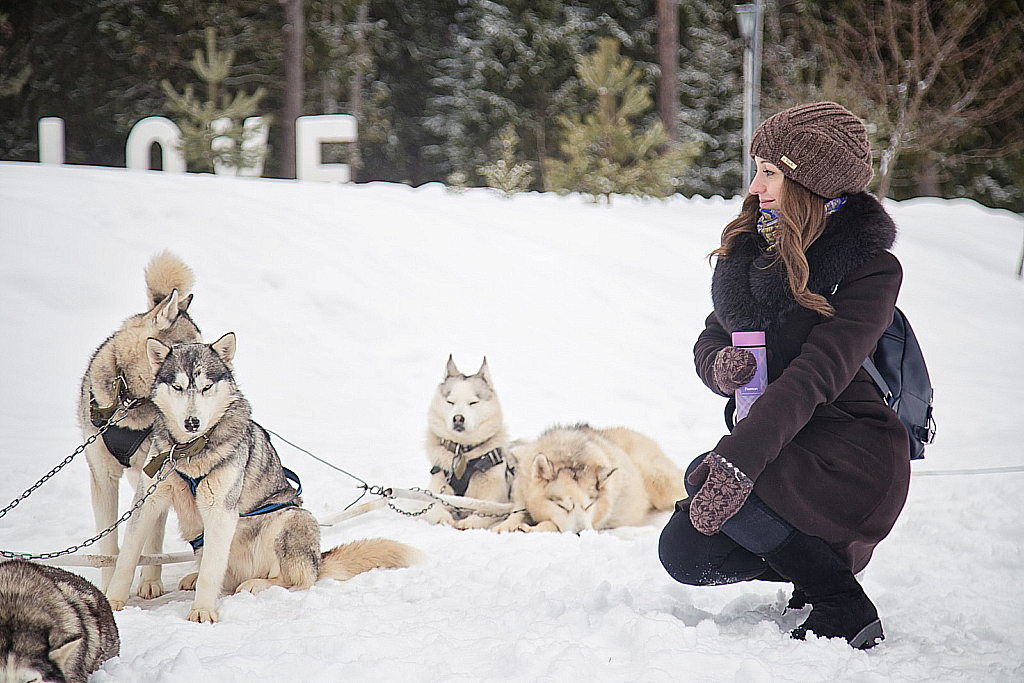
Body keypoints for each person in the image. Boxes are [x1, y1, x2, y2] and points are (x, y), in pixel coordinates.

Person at [658, 102, 911, 649]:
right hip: (779, 441)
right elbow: (712, 334)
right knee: (685, 553)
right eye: (757, 170)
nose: (754, 187)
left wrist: (738, 462)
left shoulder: (868, 268)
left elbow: (815, 375)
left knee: (716, 477)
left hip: (848, 453)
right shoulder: (757, 249)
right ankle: (808, 564)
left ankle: (841, 602)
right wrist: (718, 365)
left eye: (769, 172)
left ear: (808, 180)